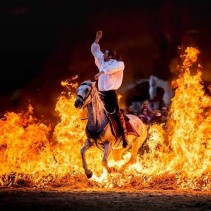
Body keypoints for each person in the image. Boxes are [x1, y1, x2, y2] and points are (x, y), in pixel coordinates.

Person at [91, 30, 128, 148]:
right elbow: (96, 52)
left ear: (111, 56)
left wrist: (100, 73)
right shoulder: (103, 61)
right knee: (95, 114)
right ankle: (95, 135)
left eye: (106, 54)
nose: (104, 55)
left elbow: (110, 70)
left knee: (116, 114)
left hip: (110, 94)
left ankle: (125, 137)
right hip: (100, 93)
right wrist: (97, 40)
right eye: (104, 54)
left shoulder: (118, 64)